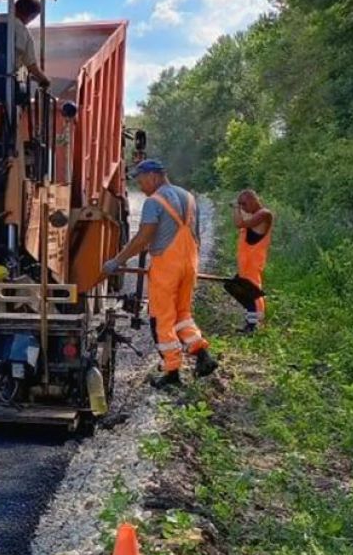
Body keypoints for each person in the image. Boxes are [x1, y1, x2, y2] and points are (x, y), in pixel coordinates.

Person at [103, 160, 218, 388]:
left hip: (167, 266)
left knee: (162, 318)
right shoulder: (188, 197)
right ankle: (203, 356)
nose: (141, 185)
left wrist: (117, 261)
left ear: (154, 176)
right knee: (182, 313)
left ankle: (172, 371)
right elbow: (194, 234)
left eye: (141, 179)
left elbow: (143, 237)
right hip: (189, 263)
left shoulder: (154, 202)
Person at [233, 189, 273, 333]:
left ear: (252, 200)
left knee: (253, 294)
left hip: (253, 262)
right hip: (246, 263)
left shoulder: (264, 214)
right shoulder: (254, 216)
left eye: (244, 204)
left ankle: (256, 326)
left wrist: (236, 208)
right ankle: (250, 325)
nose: (242, 207)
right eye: (240, 205)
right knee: (244, 293)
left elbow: (239, 223)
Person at [13, 0, 52, 89]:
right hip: (8, 85)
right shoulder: (23, 32)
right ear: (32, 16)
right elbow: (31, 66)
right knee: (22, 73)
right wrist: (45, 80)